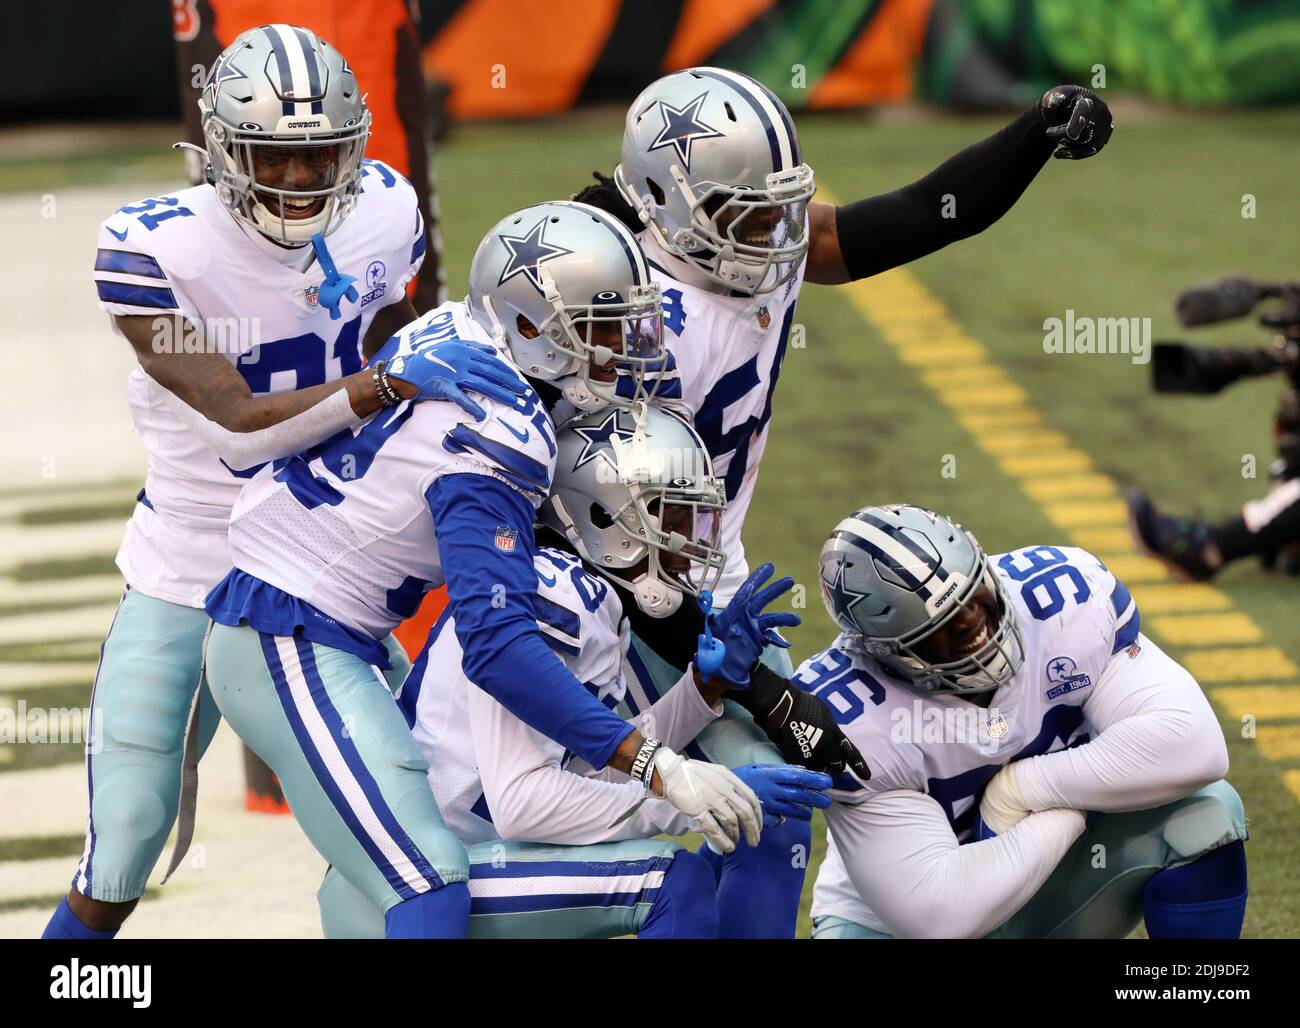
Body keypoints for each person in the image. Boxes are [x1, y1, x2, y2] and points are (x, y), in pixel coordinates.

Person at [43, 24, 516, 942]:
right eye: (272, 155)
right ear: (222, 149)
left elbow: (396, 328)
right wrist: (385, 384)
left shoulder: (384, 206)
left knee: (424, 820)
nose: (298, 179)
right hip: (191, 564)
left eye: (318, 155)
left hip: (319, 567)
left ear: (353, 146)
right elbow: (240, 417)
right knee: (127, 839)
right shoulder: (153, 252)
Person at [200, 201, 766, 938]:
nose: (627, 349)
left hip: (330, 624)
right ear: (531, 325)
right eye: (602, 329)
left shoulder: (457, 329)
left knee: (416, 853)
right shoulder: (505, 431)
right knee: (428, 880)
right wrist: (659, 769)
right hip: (290, 628)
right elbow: (497, 646)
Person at [317, 405, 830, 938]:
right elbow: (524, 805)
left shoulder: (591, 596)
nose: (689, 541)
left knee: (711, 846)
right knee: (673, 881)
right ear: (603, 517)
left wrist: (703, 690)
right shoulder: (552, 594)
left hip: (470, 865)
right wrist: (682, 804)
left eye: (693, 518)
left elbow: (586, 777)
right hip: (417, 888)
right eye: (671, 519)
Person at [797, 503, 1246, 939]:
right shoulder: (847, 718)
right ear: (887, 652)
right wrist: (1069, 810)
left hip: (1051, 880)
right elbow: (941, 914)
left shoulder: (1063, 602)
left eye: (974, 596)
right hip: (894, 924)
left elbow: (1193, 745)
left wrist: (1024, 788)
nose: (976, 625)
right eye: (941, 628)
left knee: (1207, 811)